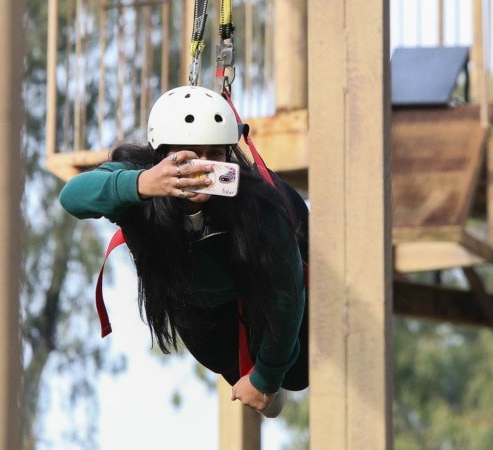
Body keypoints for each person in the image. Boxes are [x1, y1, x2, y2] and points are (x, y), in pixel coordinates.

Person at [59, 85, 308, 417]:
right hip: (199, 309)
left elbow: (285, 296)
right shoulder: (138, 174)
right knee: (255, 386)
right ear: (162, 154)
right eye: (189, 155)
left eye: (214, 155)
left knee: (294, 375)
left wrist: (266, 377)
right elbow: (72, 197)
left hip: (264, 283)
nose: (201, 168)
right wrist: (142, 184)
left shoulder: (257, 205)